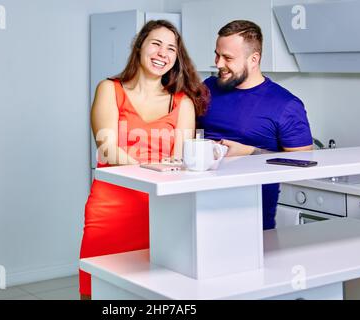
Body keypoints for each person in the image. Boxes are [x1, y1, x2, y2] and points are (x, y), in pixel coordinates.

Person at [79, 20, 210, 299]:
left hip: (162, 209)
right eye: (156, 43)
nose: (163, 53)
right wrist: (150, 173)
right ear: (139, 46)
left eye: (171, 49)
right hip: (112, 206)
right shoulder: (109, 89)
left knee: (154, 291)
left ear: (176, 59)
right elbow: (108, 147)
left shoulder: (182, 102)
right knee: (96, 288)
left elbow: (179, 158)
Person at [197, 20, 313, 230]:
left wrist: (251, 152)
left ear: (254, 59)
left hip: (251, 216)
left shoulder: (285, 104)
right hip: (197, 208)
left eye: (228, 58)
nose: (218, 63)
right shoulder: (207, 88)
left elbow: (303, 165)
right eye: (217, 54)